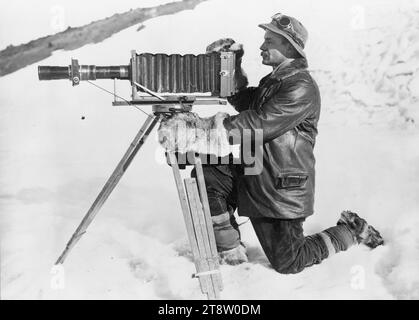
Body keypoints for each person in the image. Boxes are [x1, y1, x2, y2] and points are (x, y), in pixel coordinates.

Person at [158, 13, 384, 273]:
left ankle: (350, 232)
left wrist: (197, 131)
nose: (262, 47)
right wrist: (230, 67)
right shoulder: (276, 81)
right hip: (256, 173)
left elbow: (258, 123)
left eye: (269, 41)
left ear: (289, 46)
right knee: (208, 175)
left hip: (279, 186)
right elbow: (246, 102)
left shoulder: (301, 87)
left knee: (289, 262)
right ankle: (230, 248)